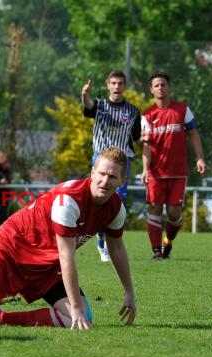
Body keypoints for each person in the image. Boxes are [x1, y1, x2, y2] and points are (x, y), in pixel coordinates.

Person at [0, 147, 136, 330]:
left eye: (112, 177)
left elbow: (117, 249)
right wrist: (75, 306)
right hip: (11, 248)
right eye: (102, 174)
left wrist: (129, 291)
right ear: (92, 172)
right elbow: (67, 257)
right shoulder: (69, 200)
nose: (105, 181)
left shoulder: (116, 209)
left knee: (83, 318)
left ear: (122, 180)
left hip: (48, 267)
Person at [140, 71, 206, 260]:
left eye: (163, 84)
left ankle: (168, 241)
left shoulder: (183, 110)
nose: (161, 88)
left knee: (174, 213)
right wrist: (145, 169)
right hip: (155, 172)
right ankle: (157, 251)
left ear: (169, 87)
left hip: (178, 172)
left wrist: (200, 158)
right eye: (157, 85)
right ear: (151, 90)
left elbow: (193, 134)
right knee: (154, 208)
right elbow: (146, 145)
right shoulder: (147, 115)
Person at [81, 70, 141, 262]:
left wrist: (146, 138)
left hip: (123, 161)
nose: (116, 87)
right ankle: (101, 242)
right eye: (113, 83)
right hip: (100, 159)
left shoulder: (132, 111)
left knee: (117, 203)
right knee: (100, 199)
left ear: (124, 86)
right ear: (108, 85)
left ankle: (109, 241)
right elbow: (88, 106)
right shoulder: (99, 105)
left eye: (120, 83)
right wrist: (84, 95)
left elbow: (137, 136)